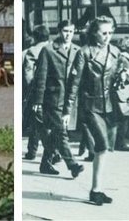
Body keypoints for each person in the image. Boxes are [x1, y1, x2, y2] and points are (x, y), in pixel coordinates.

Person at [68, 16, 129, 206]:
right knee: (102, 146)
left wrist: (125, 73)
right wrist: (67, 110)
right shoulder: (84, 53)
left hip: (111, 107)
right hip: (91, 106)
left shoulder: (115, 51)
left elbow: (126, 70)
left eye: (110, 33)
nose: (107, 37)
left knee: (104, 150)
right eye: (104, 33)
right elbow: (74, 83)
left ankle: (97, 190)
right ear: (94, 32)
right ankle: (96, 190)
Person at [32, 20, 85, 179]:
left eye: (71, 31)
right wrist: (38, 101)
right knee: (61, 132)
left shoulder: (77, 50)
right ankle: (73, 165)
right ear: (59, 31)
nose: (68, 35)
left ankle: (45, 163)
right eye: (65, 31)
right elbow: (41, 77)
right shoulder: (48, 50)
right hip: (53, 98)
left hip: (69, 99)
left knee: (56, 132)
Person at [23, 24, 51, 160]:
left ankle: (43, 151)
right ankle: (32, 151)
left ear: (35, 37)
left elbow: (28, 75)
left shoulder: (32, 51)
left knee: (37, 121)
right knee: (42, 121)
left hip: (37, 92)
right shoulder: (54, 48)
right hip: (53, 91)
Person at [112, 37, 129, 151]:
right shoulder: (125, 60)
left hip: (118, 93)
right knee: (124, 118)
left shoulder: (119, 57)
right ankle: (120, 143)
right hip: (123, 94)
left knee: (119, 118)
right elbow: (124, 77)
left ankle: (117, 142)